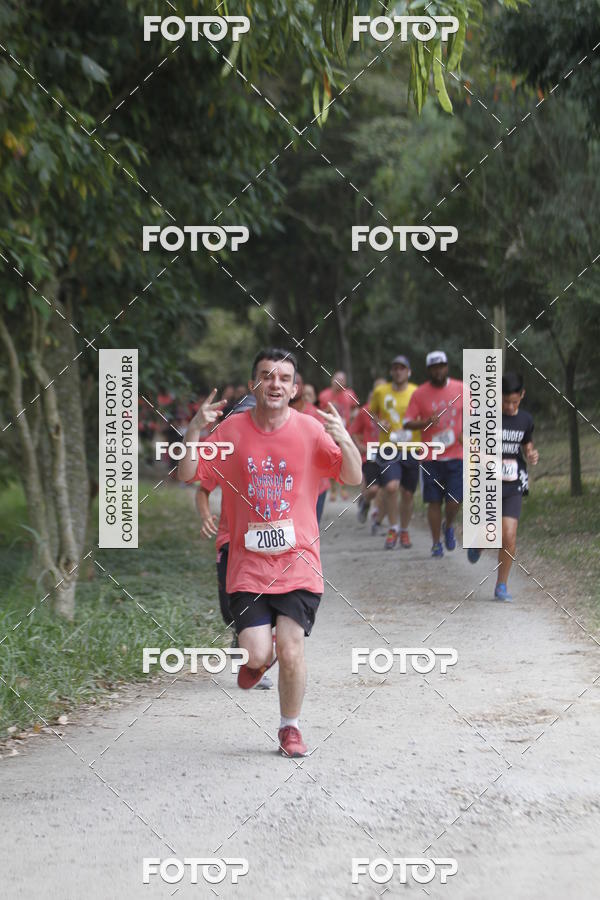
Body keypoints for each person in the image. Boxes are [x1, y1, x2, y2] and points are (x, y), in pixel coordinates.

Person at [178, 348, 362, 758]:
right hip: (247, 565)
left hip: (298, 561)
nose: (274, 383)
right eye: (266, 376)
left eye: (283, 378)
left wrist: (345, 439)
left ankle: (290, 728)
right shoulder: (231, 432)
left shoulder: (311, 430)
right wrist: (193, 432)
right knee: (258, 651)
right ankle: (257, 661)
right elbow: (190, 474)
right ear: (253, 384)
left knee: (292, 648)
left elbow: (351, 475)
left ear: (294, 388)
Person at [467, 371, 538, 601]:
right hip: (487, 483)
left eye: (514, 402)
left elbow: (527, 445)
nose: (509, 406)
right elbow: (466, 440)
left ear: (522, 395)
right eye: (505, 401)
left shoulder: (526, 419)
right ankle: (478, 543)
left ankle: (501, 586)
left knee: (508, 535)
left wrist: (531, 454)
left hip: (512, 482)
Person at [404, 351, 463, 558]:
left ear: (447, 367)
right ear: (429, 370)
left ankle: (449, 526)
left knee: (455, 500)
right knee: (434, 501)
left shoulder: (461, 389)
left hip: (457, 455)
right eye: (434, 367)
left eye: (442, 366)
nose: (439, 370)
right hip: (431, 457)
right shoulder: (419, 394)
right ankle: (436, 543)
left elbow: (474, 416)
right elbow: (407, 422)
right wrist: (426, 422)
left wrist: (467, 434)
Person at [369, 357, 420, 549]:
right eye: (395, 368)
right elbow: (371, 412)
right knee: (390, 487)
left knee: (407, 494)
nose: (398, 372)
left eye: (402, 368)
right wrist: (378, 422)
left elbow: (424, 415)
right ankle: (393, 527)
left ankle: (404, 531)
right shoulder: (381, 391)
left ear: (409, 372)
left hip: (411, 448)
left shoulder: (416, 391)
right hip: (388, 447)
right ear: (391, 372)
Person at [289, 372, 330, 524]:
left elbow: (328, 448)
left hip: (316, 485)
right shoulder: (274, 415)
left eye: (296, 383)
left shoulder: (316, 415)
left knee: (310, 531)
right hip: (286, 485)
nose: (292, 387)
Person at [318, 371, 359, 501]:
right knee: (332, 459)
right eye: (337, 380)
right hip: (329, 432)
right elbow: (318, 412)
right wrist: (328, 410)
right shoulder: (325, 395)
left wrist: (353, 417)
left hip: (345, 432)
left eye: (342, 380)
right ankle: (334, 489)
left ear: (345, 382)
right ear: (332, 381)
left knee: (345, 459)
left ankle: (343, 488)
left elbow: (355, 409)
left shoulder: (350, 394)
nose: (339, 382)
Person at [349, 379, 386, 525]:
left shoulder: (392, 411)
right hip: (369, 454)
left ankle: (379, 518)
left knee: (387, 488)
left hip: (389, 453)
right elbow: (353, 432)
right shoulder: (365, 411)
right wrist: (359, 446)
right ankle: (365, 500)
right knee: (373, 489)